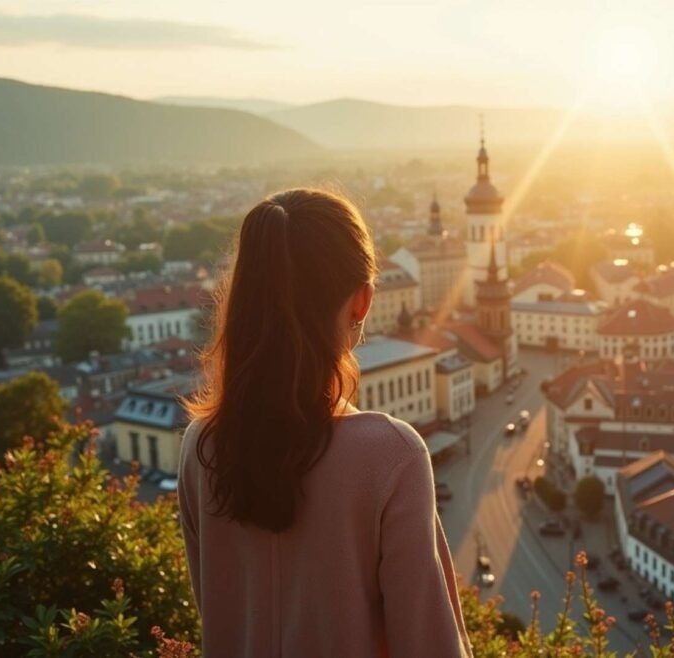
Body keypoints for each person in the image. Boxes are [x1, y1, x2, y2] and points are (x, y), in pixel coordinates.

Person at [178, 189, 471, 657]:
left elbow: (217, 609)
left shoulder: (202, 447)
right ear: (363, 302)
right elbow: (430, 646)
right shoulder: (390, 456)